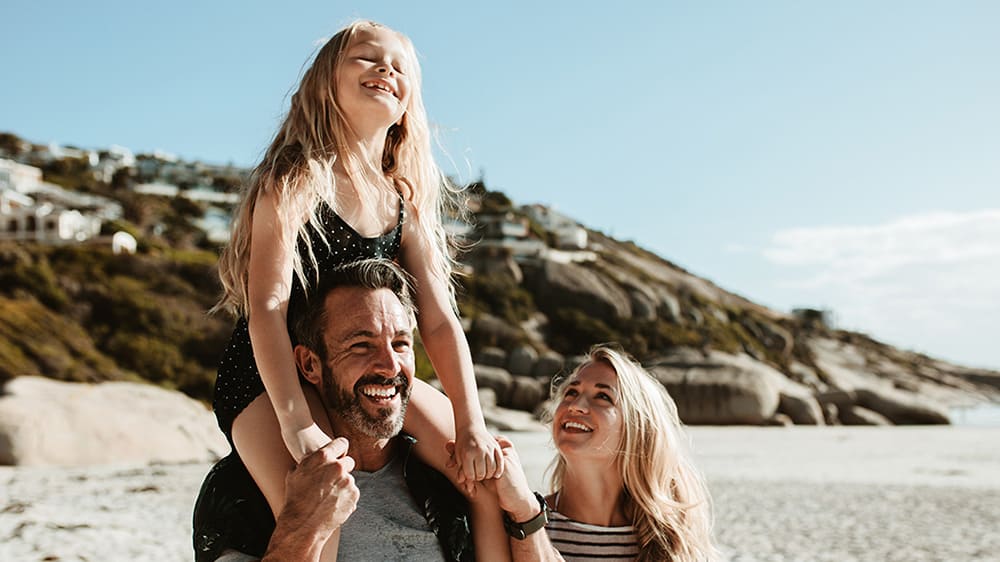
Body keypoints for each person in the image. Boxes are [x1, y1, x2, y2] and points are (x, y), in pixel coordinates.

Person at [209, 19, 501, 559]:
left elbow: (437, 320)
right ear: (325, 82)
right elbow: (266, 309)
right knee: (324, 509)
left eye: (399, 66)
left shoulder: (401, 200)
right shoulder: (294, 179)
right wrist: (298, 426)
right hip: (267, 376)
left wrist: (473, 423)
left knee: (482, 476)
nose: (385, 69)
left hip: (364, 364)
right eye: (366, 58)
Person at [195, 259, 504, 561]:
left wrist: (526, 514)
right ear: (310, 364)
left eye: (400, 344)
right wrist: (301, 528)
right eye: (361, 346)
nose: (390, 366)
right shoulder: (243, 492)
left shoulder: (445, 480)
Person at [485, 345, 719, 562]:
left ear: (637, 427)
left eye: (603, 396)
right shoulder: (518, 520)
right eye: (571, 392)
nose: (576, 405)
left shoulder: (667, 537)